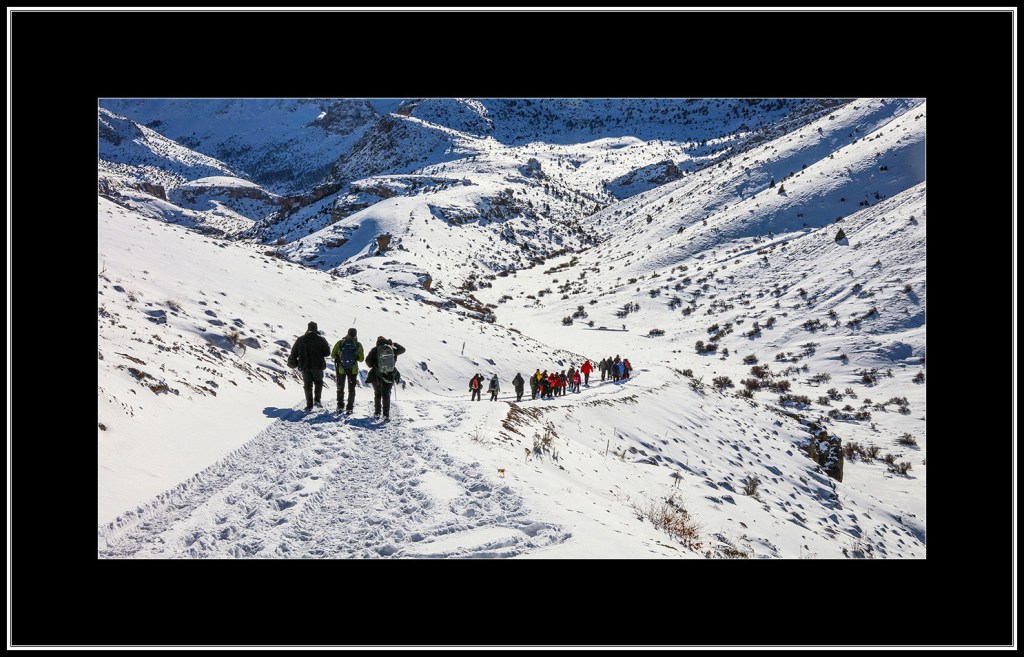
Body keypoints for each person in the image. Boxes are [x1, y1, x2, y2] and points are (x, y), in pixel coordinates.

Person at [287, 321, 331, 411]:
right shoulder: (321, 339)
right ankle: (317, 401)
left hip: (304, 366)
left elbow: (294, 353)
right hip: (318, 366)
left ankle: (309, 405)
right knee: (318, 383)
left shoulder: (300, 339)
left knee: (307, 385)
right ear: (316, 329)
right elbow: (327, 353)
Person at [365, 335, 406, 420]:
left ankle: (377, 413)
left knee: (377, 394)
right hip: (390, 375)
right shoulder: (392, 349)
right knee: (386, 395)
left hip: (376, 375)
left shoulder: (375, 350)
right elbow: (403, 349)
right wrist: (394, 344)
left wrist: (374, 365)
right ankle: (386, 414)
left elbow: (368, 362)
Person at [330, 327, 364, 414]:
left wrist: (339, 357)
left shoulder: (340, 343)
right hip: (353, 370)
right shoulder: (358, 345)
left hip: (341, 369)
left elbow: (333, 355)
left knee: (340, 387)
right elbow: (361, 359)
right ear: (356, 335)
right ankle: (349, 407)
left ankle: (340, 406)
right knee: (351, 389)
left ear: (347, 333)